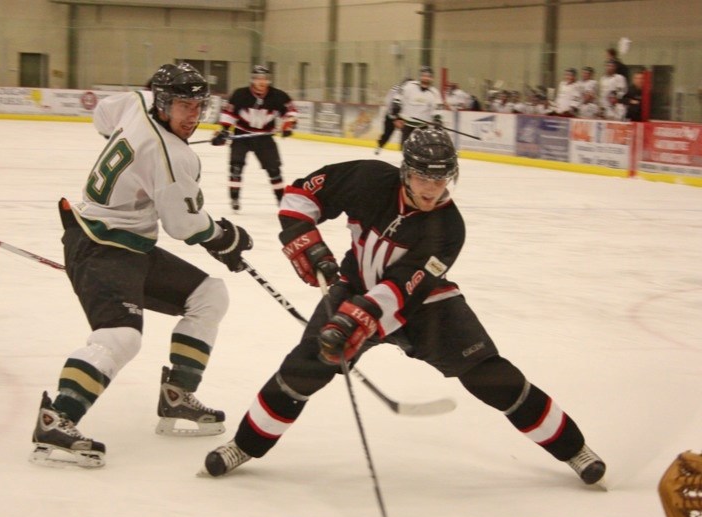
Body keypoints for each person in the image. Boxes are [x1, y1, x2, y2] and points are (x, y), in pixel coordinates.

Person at [202, 126, 607, 488]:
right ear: (404, 171)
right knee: (302, 370)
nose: (432, 188)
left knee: (491, 376)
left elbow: (403, 288)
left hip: (427, 306)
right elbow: (300, 194)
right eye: (421, 176)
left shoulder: (448, 228)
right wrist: (304, 238)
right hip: (353, 285)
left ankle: (574, 448)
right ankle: (244, 445)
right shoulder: (366, 179)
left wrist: (356, 318)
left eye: (441, 177)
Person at [30, 63, 254, 468]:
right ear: (163, 103)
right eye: (184, 105)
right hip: (100, 246)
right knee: (121, 337)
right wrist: (225, 236)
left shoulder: (134, 103)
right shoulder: (173, 155)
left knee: (209, 295)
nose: (193, 116)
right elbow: (183, 225)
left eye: (199, 106)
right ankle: (57, 416)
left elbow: (102, 116)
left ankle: (177, 396)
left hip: (127, 246)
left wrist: (133, 154)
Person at [212, 65, 298, 211]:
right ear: (252, 80)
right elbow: (229, 113)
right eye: (258, 78)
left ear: (269, 80)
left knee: (274, 170)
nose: (261, 82)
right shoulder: (240, 94)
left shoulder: (278, 96)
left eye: (264, 79)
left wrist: (288, 126)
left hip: (265, 137)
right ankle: (235, 199)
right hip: (242, 135)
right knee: (236, 168)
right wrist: (224, 131)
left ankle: (281, 200)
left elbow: (291, 112)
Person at [394, 66, 444, 145]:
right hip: (406, 123)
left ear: (432, 79)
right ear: (420, 77)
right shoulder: (409, 86)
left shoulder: (435, 93)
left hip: (423, 125)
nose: (425, 78)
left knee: (424, 149)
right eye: (424, 76)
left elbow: (438, 108)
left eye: (428, 76)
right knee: (405, 147)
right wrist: (397, 113)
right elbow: (399, 97)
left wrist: (437, 120)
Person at [374, 78, 409, 155]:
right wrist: (393, 116)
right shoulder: (396, 90)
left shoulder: (410, 91)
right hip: (391, 115)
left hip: (403, 116)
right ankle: (380, 146)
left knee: (406, 133)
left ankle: (405, 150)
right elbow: (388, 101)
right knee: (387, 133)